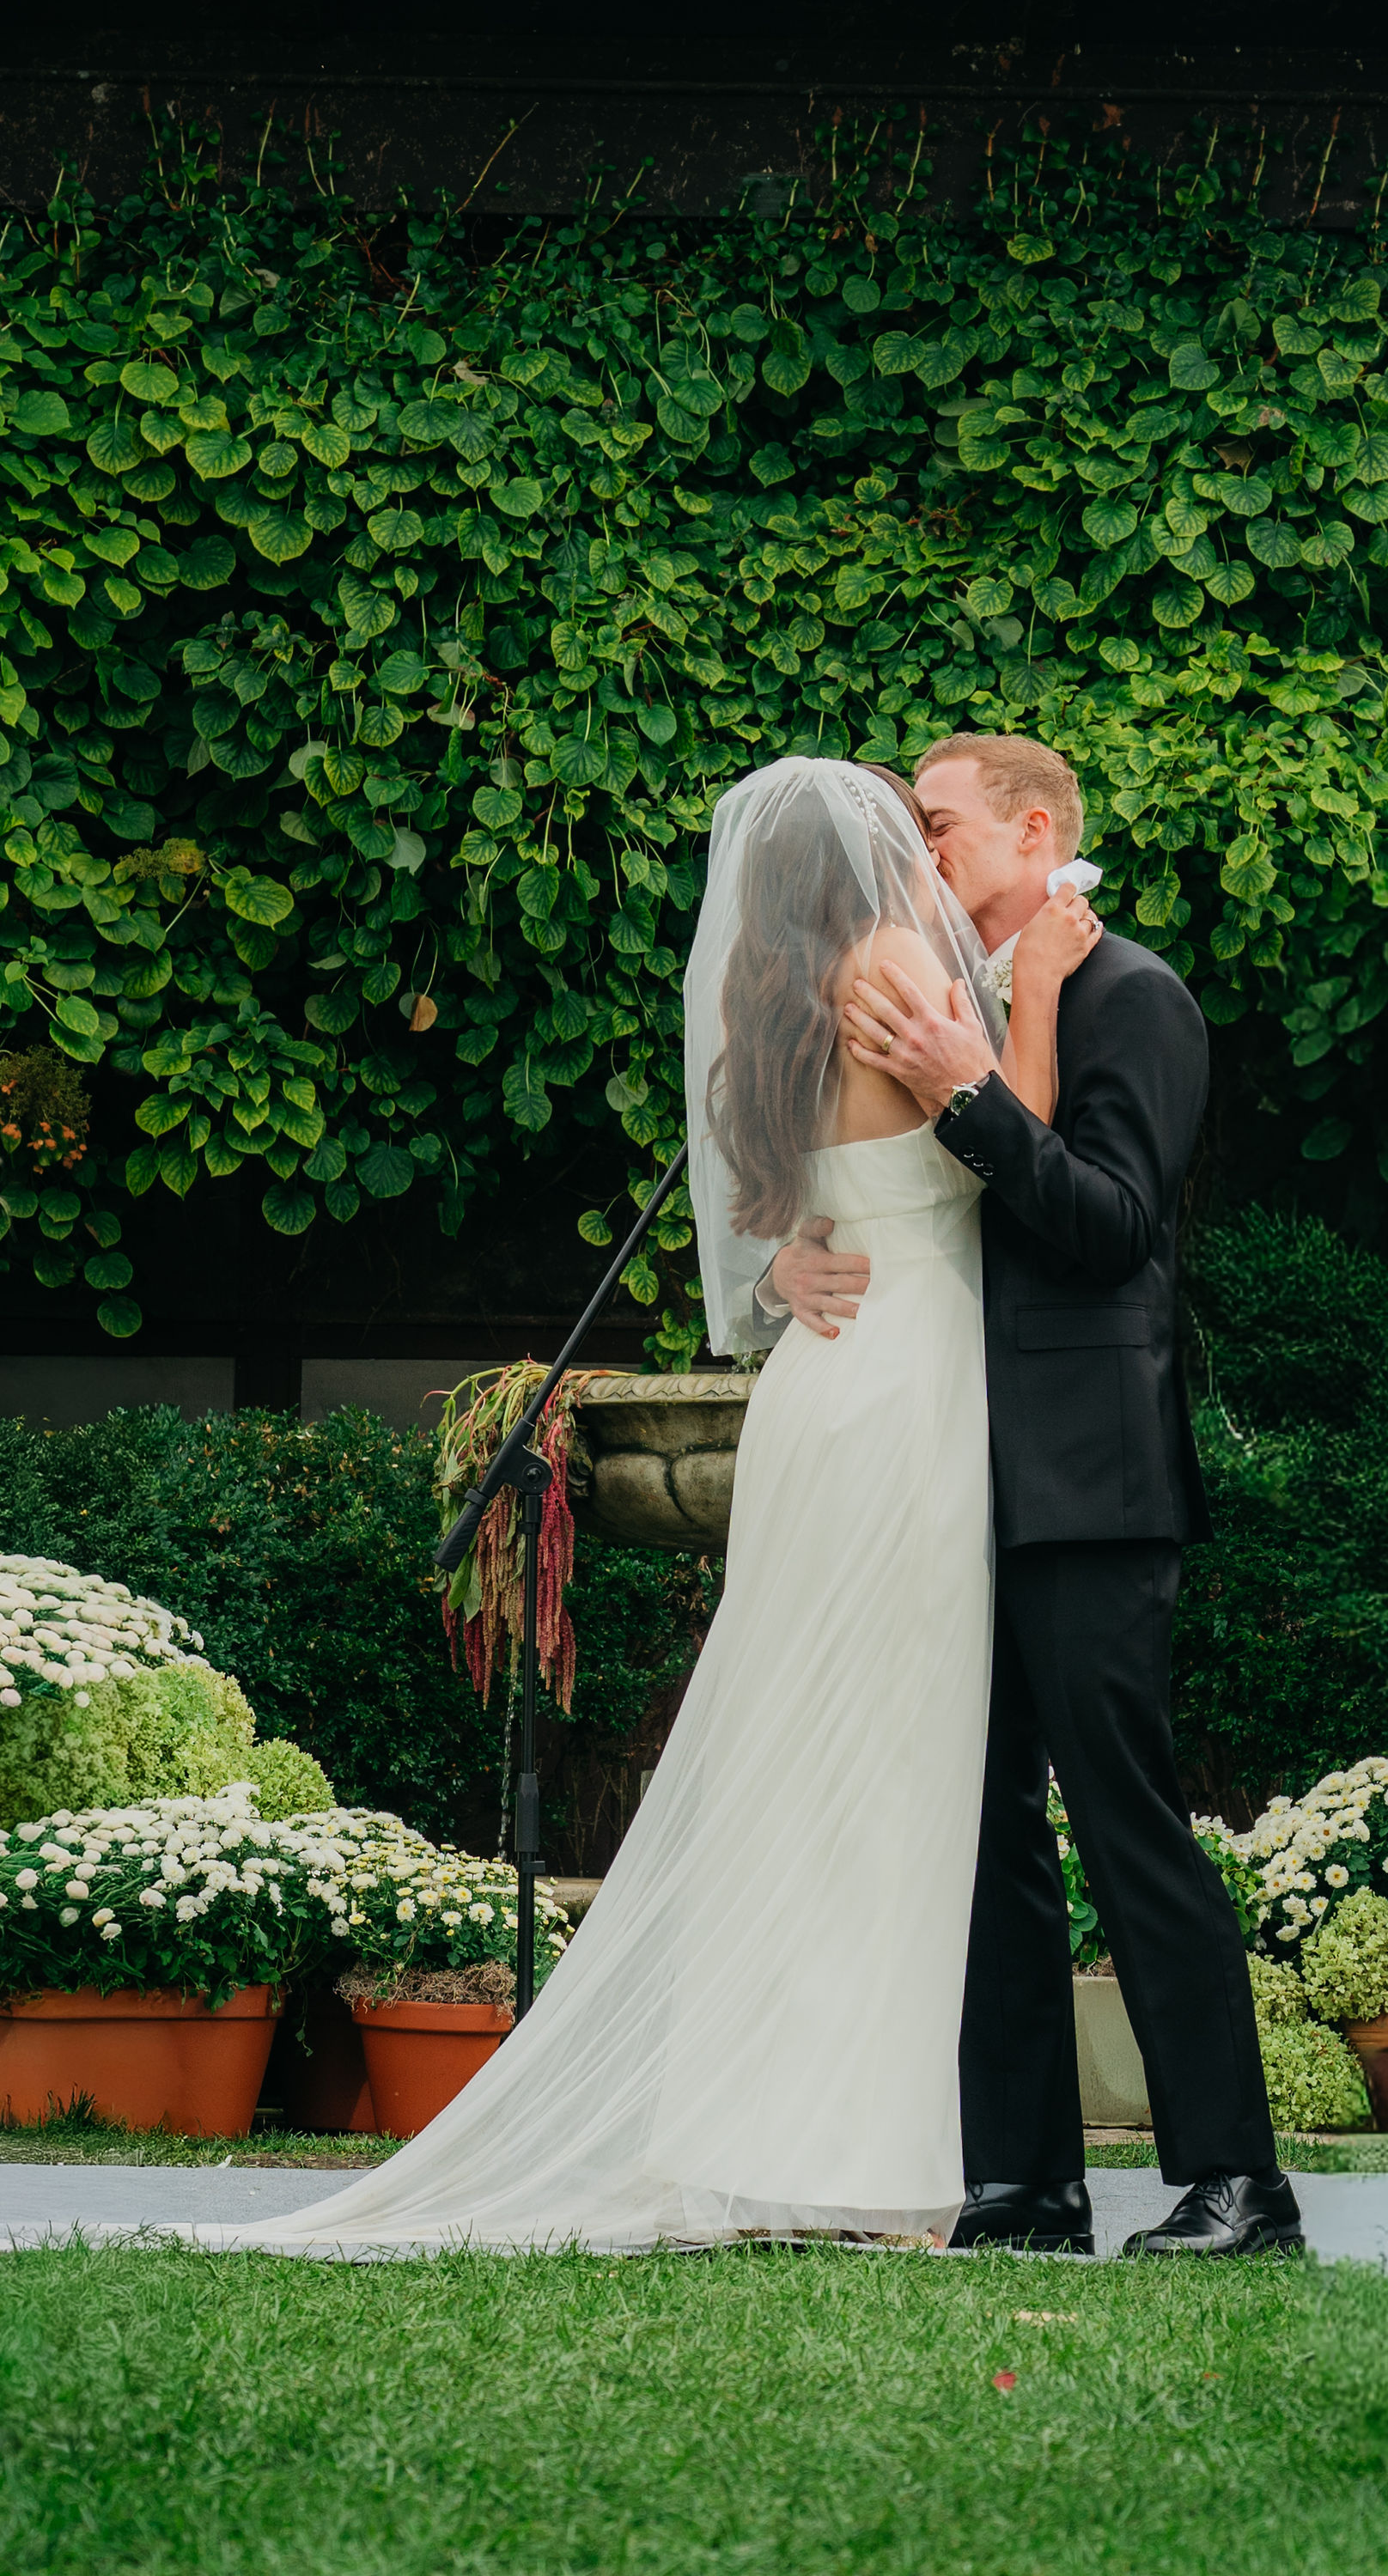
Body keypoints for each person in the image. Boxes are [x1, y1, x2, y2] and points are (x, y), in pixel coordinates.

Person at [195, 754, 1093, 2254]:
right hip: (908, 1393)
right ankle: (856, 2159)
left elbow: (768, 1212)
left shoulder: (769, 991)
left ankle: (783, 2143)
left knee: (802, 1768)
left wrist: (797, 1255)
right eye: (908, 828)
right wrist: (1045, 982)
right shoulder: (894, 957)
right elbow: (1021, 1139)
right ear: (868, 856)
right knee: (888, 1773)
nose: (927, 857)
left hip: (823, 1384)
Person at [767, 732, 1301, 2260]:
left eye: (941, 823)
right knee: (982, 1834)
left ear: (1037, 831)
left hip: (1086, 1487)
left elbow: (1114, 1228)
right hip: (944, 1476)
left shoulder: (1133, 994)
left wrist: (971, 1094)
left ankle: (1238, 2183)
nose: (920, 847)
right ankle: (1021, 2187)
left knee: (1127, 1824)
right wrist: (794, 1252)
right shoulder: (946, 998)